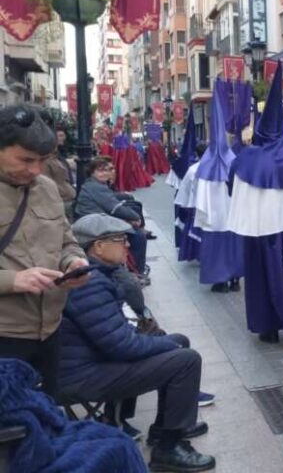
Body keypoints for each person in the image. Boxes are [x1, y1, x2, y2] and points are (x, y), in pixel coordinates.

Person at [60, 214, 215, 472]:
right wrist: (164, 345)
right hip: (82, 376)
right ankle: (169, 447)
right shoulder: (89, 283)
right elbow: (121, 347)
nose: (128, 245)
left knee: (178, 342)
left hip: (92, 361)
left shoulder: (99, 275)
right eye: (120, 240)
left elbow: (117, 337)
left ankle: (165, 426)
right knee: (185, 359)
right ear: (98, 246)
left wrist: (163, 342)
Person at [0, 105, 90, 395]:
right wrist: (13, 280)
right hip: (5, 336)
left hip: (50, 331)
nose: (36, 169)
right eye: (25, 160)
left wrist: (74, 261)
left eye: (43, 160)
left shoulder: (47, 188)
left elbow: (66, 240)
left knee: (46, 422)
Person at [227, 68, 283, 344]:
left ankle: (268, 329)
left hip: (259, 232)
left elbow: (234, 191)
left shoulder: (247, 160)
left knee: (262, 282)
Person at [193, 95, 244, 293]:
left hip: (214, 219)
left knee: (216, 251)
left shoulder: (205, 165)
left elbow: (200, 196)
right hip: (233, 217)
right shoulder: (236, 161)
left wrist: (202, 216)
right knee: (235, 248)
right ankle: (235, 280)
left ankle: (220, 280)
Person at [75, 156, 149, 274]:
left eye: (107, 170)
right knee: (138, 236)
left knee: (133, 223)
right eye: (100, 170)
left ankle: (134, 268)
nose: (105, 173)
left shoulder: (95, 184)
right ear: (92, 172)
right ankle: (136, 272)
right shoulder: (96, 187)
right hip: (93, 223)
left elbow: (111, 207)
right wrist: (135, 217)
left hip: (96, 219)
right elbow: (114, 208)